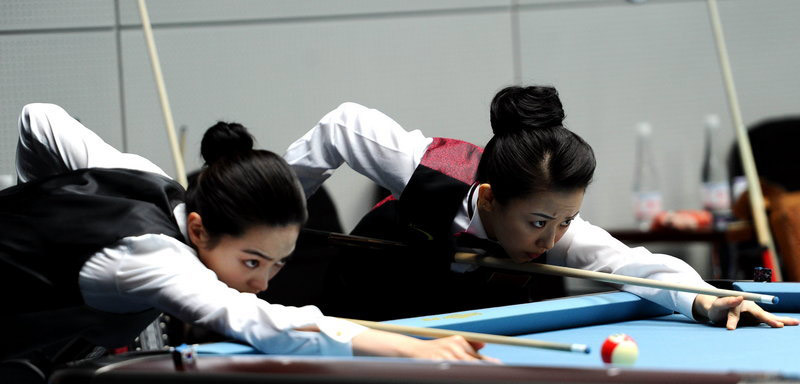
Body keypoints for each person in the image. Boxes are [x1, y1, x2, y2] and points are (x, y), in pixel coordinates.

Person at [0, 103, 493, 363]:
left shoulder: (145, 176)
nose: (261, 283)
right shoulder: (160, 260)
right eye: (252, 262)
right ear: (198, 229)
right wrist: (411, 347)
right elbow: (269, 324)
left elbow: (39, 119)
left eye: (278, 264)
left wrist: (42, 200)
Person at [283, 85, 799, 330]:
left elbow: (629, 263)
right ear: (489, 197)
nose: (552, 239)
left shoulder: (558, 230)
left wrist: (707, 299)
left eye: (565, 221)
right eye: (538, 223)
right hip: (360, 307)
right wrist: (274, 213)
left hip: (449, 331)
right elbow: (343, 124)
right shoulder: (432, 167)